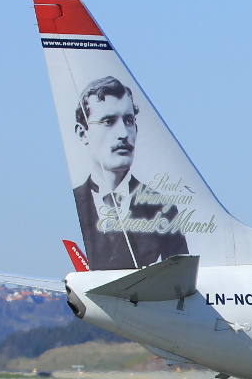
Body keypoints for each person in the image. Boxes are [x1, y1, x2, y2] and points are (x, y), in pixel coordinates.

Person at [71, 76, 188, 269]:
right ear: (83, 134)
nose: (124, 134)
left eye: (128, 121)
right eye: (108, 121)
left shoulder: (162, 208)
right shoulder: (75, 203)